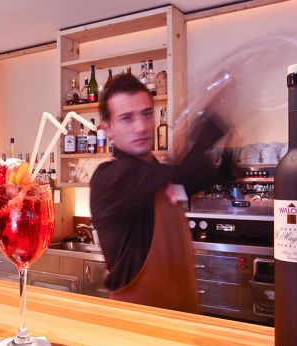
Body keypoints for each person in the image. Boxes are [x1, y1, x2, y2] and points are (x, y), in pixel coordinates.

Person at [89, 74, 227, 312]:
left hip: (185, 317)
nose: (141, 127)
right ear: (108, 129)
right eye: (127, 118)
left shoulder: (158, 176)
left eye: (146, 114)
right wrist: (214, 116)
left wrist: (227, 168)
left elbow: (195, 176)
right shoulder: (109, 177)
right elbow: (186, 171)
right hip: (138, 322)